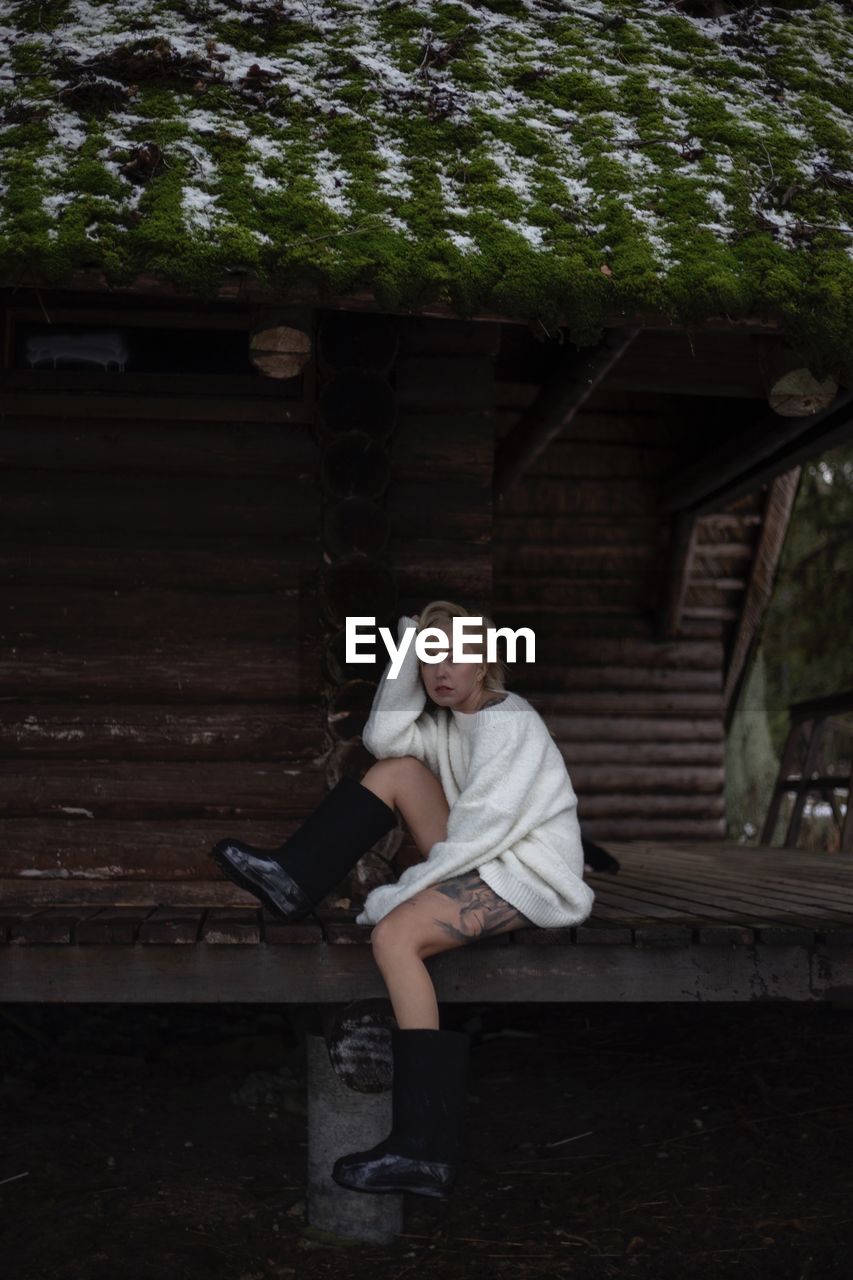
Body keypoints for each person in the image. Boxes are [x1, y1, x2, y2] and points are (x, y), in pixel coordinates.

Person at [210, 600, 615, 1200]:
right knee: (397, 767)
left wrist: (392, 899)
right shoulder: (452, 723)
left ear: (486, 664)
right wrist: (407, 646)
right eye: (429, 659)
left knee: (394, 937)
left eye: (456, 656)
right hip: (484, 853)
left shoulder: (511, 724)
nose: (440, 670)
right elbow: (383, 737)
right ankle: (293, 880)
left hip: (529, 872)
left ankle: (424, 1149)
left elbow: (475, 841)